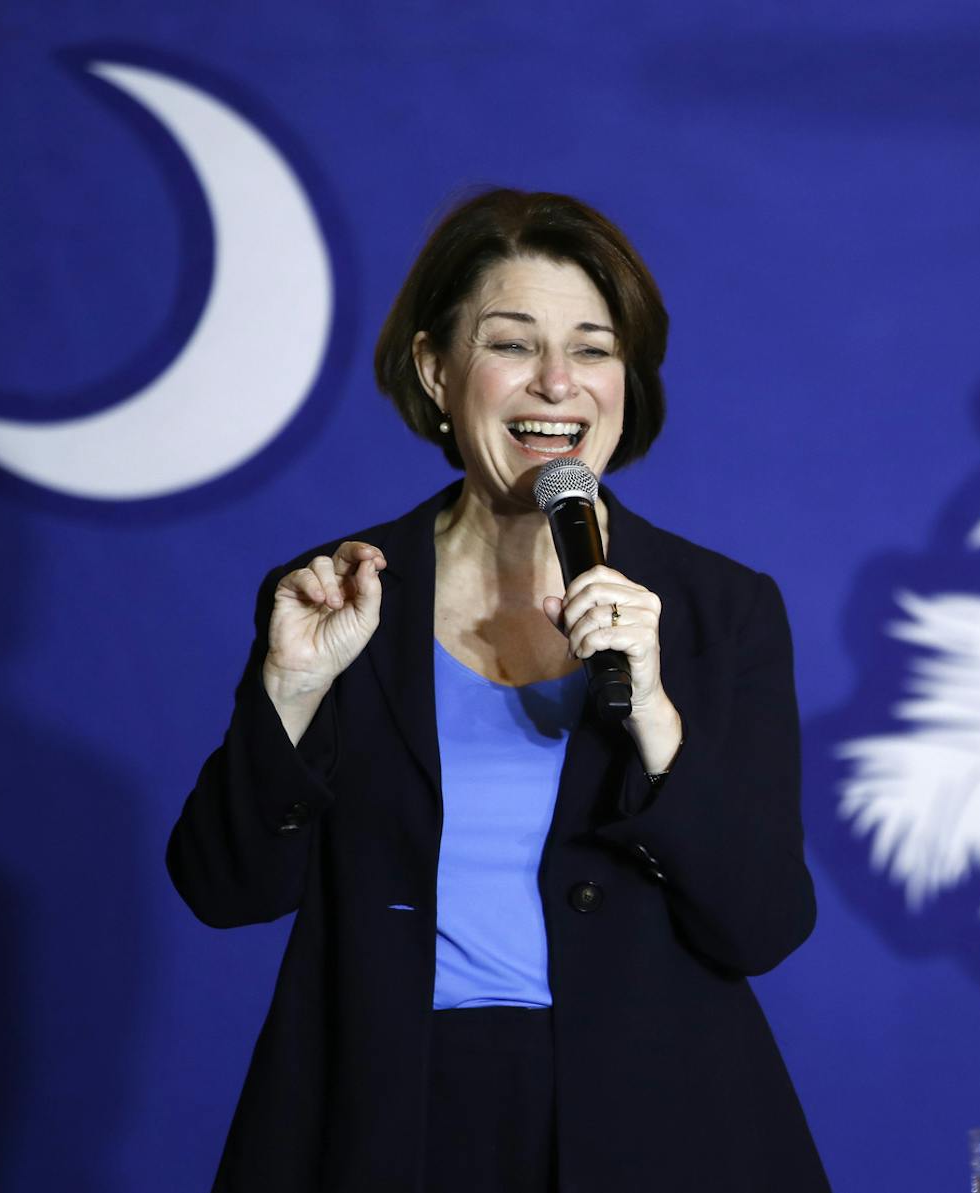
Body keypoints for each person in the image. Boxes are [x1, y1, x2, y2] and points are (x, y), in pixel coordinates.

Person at [167, 189, 829, 1193]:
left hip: (659, 1124)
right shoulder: (342, 590)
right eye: (513, 344)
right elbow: (226, 888)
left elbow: (763, 921)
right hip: (386, 1120)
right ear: (437, 370)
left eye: (594, 348)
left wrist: (655, 713)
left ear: (628, 381)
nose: (557, 382)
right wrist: (291, 693)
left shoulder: (716, 608)